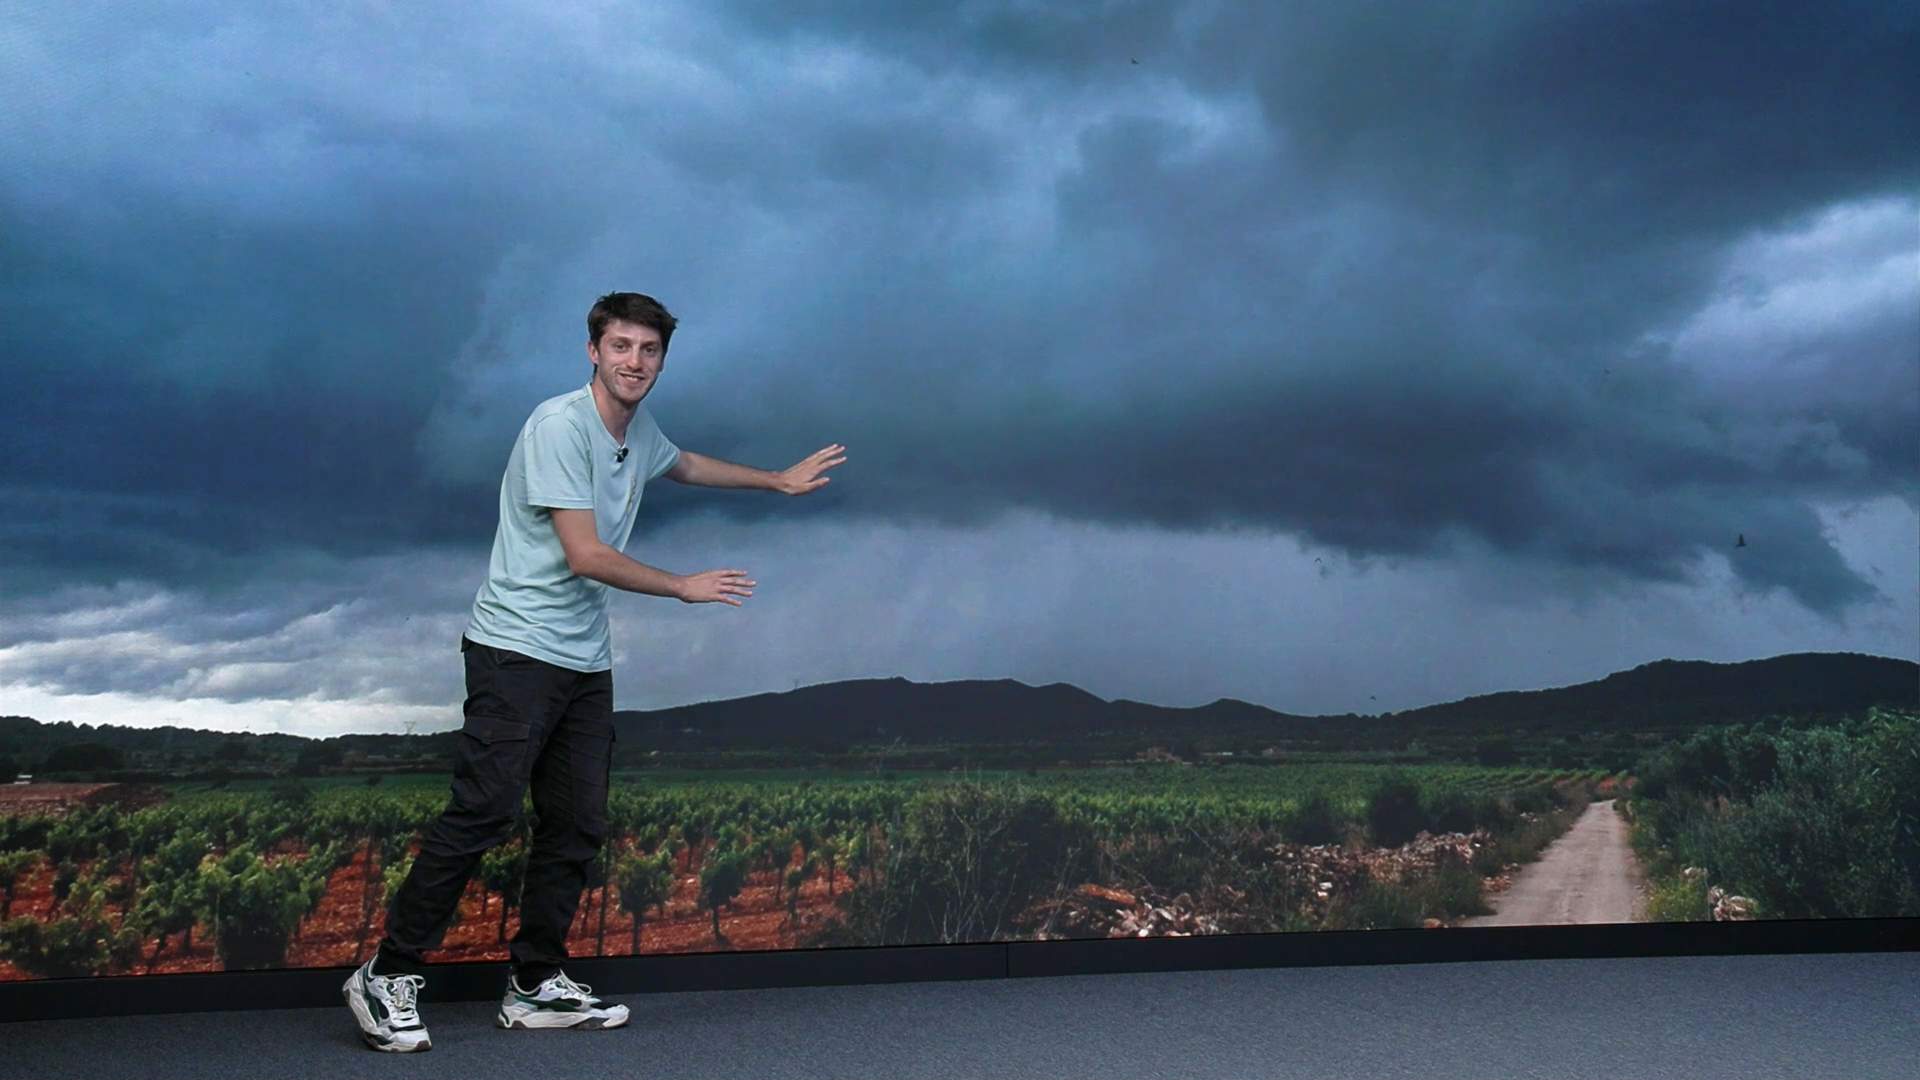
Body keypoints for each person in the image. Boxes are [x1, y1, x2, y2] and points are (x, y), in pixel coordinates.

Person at [343, 291, 846, 1052]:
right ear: (593, 351)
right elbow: (585, 554)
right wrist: (683, 585)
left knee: (575, 825)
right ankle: (386, 974)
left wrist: (775, 480)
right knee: (483, 812)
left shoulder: (637, 431)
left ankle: (535, 984)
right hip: (515, 651)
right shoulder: (559, 427)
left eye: (649, 351)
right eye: (621, 347)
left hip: (582, 659)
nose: (634, 362)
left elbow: (685, 464)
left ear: (661, 360)